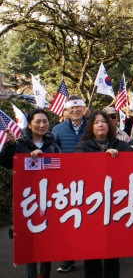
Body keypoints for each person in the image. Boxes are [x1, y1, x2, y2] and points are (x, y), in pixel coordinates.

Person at [75, 110, 133, 278]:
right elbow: (78, 166)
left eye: (104, 122)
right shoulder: (83, 146)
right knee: (92, 251)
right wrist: (103, 157)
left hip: (114, 206)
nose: (101, 125)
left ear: (110, 125)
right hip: (91, 206)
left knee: (112, 251)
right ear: (91, 126)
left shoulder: (119, 144)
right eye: (97, 122)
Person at [0, 108, 60, 278]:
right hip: (27, 201)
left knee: (46, 243)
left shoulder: (53, 146)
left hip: (49, 200)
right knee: (29, 244)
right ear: (30, 123)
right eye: (38, 121)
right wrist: (10, 146)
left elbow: (61, 170)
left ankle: (44, 274)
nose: (42, 125)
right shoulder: (19, 144)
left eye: (45, 121)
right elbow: (6, 162)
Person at [52, 95, 88, 273]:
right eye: (72, 108)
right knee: (69, 220)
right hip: (66, 183)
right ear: (66, 111)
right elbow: (52, 152)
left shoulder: (93, 126)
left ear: (84, 109)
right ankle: (68, 258)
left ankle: (92, 255)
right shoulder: (57, 129)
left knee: (89, 219)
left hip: (91, 180)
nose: (75, 111)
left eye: (78, 107)